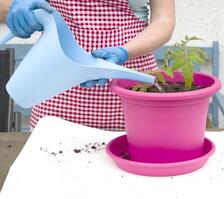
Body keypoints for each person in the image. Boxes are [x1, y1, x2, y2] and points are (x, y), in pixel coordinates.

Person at [6, 0, 175, 131]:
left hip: (129, 80)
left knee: (131, 160)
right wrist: (20, 7)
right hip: (56, 83)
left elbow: (164, 21)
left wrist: (123, 52)